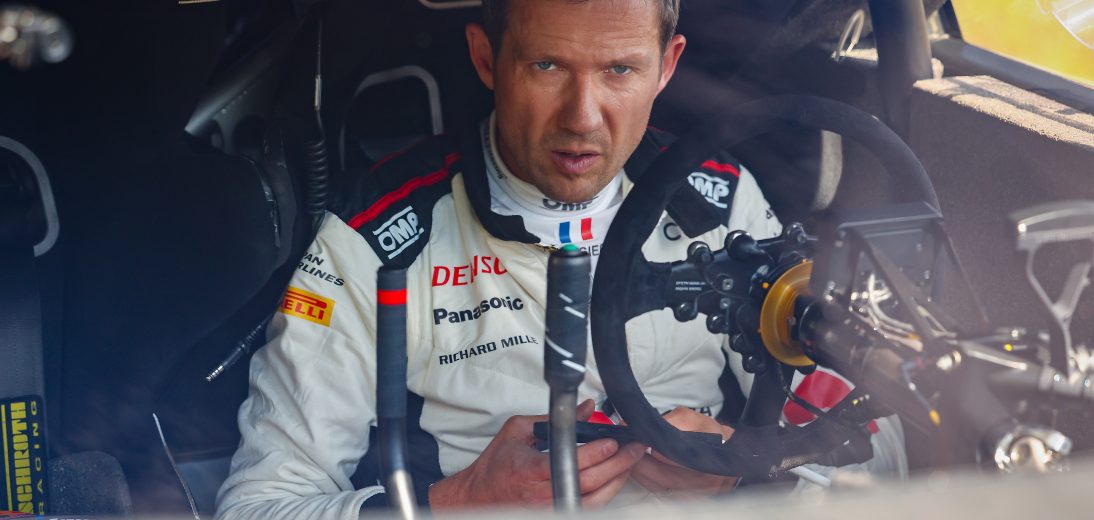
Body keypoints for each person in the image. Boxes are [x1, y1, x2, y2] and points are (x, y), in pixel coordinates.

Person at [216, 0, 906, 518]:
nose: (582, 115)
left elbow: (881, 443)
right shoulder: (377, 237)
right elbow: (257, 506)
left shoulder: (721, 204)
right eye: (547, 66)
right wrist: (456, 503)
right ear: (486, 59)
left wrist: (742, 467)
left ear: (666, 66)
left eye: (619, 70)